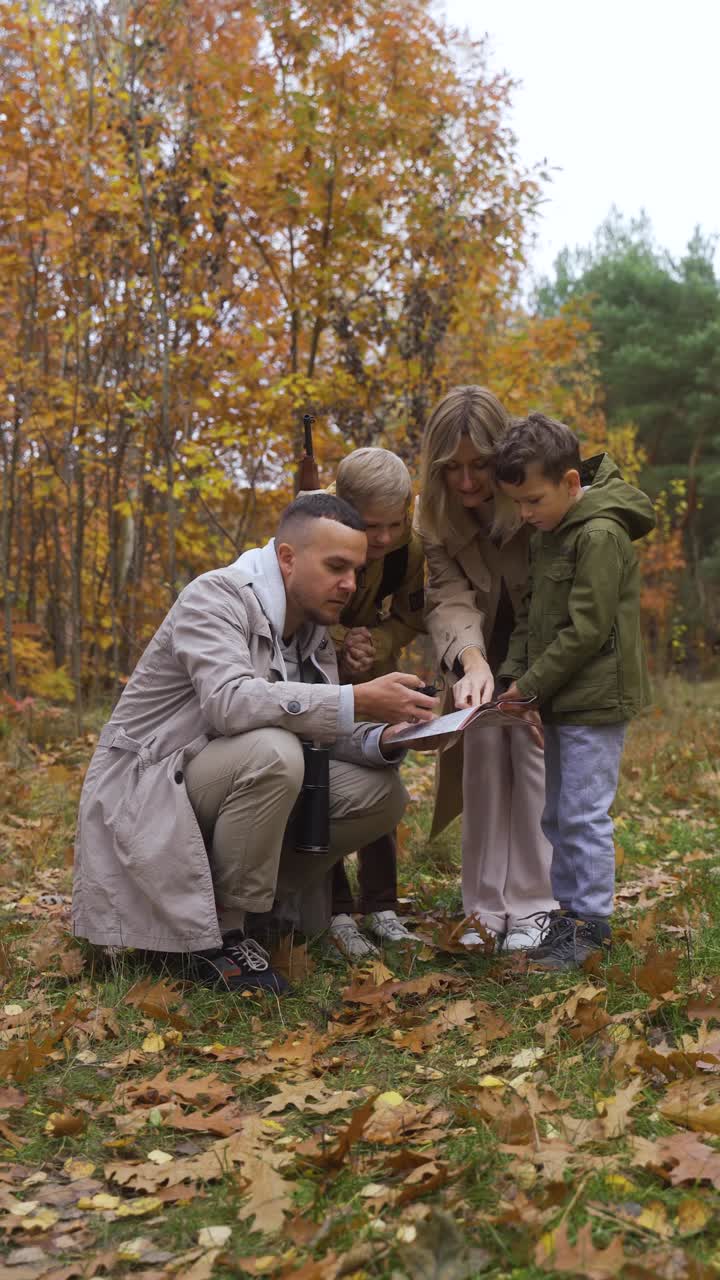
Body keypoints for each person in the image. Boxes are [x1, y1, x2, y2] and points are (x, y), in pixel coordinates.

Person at [73, 494, 437, 995]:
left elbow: (321, 724)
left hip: (215, 785)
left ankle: (244, 916)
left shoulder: (311, 627)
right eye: (336, 566)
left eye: (356, 569)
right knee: (274, 753)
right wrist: (357, 698)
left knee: (382, 792)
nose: (350, 585)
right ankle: (219, 936)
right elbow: (231, 703)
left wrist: (391, 735)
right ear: (286, 558)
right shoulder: (215, 598)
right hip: (148, 793)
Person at [493, 413, 655, 969]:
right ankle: (568, 917)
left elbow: (587, 629)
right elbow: (530, 615)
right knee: (557, 814)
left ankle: (592, 925)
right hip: (560, 698)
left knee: (584, 814)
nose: (525, 513)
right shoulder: (548, 534)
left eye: (533, 500)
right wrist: (512, 677)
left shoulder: (600, 534)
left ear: (569, 482)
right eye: (517, 503)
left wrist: (531, 686)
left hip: (595, 699)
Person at [415, 386, 555, 951]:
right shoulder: (435, 520)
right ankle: (482, 907)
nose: (468, 482)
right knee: (480, 756)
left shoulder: (536, 499)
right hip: (476, 653)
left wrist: (536, 677)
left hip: (543, 652)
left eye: (480, 466)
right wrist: (472, 664)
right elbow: (447, 596)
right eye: (453, 469)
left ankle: (536, 903)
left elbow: (557, 597)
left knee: (532, 757)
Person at [326, 448, 426, 960]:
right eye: (371, 526)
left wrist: (376, 646)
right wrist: (341, 641)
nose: (384, 538)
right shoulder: (312, 532)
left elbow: (413, 617)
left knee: (381, 770)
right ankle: (334, 908)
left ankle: (381, 904)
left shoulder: (409, 550)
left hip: (372, 675)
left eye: (395, 523)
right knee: (318, 777)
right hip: (313, 673)